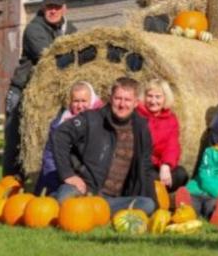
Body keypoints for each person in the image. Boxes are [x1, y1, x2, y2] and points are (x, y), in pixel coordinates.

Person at [51, 77, 157, 215]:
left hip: (113, 200)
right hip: (83, 189)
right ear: (110, 98)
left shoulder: (141, 128)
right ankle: (87, 210)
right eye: (118, 98)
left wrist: (156, 210)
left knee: (147, 204)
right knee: (65, 198)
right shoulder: (91, 119)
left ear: (136, 103)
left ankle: (91, 211)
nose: (122, 104)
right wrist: (67, 174)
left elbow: (146, 167)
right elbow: (61, 134)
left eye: (127, 100)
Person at [2, 0, 76, 178]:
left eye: (57, 7)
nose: (53, 11)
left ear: (64, 9)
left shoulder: (70, 30)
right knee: (17, 141)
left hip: (49, 94)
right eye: (49, 7)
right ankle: (10, 186)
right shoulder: (34, 29)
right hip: (23, 91)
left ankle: (40, 182)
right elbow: (49, 57)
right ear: (43, 8)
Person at [34, 81, 103, 195]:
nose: (80, 106)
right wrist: (61, 178)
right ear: (70, 102)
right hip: (62, 177)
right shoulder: (60, 124)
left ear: (91, 101)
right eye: (76, 101)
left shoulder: (100, 121)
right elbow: (50, 156)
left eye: (83, 101)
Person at [135, 78, 189, 190]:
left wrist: (166, 165)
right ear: (144, 97)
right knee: (151, 177)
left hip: (159, 164)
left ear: (165, 98)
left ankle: (157, 191)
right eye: (150, 96)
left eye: (158, 97)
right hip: (140, 164)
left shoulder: (171, 119)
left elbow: (172, 146)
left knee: (181, 173)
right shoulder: (137, 115)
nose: (153, 101)